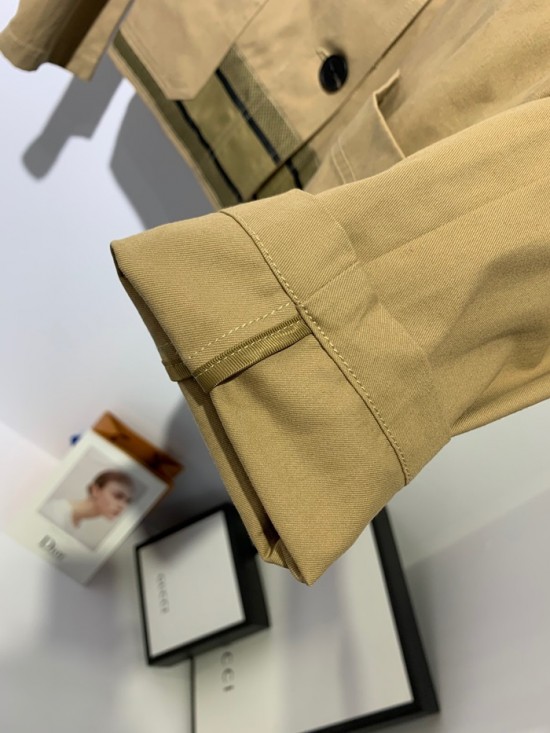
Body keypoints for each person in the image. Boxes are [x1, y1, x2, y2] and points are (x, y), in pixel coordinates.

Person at [45, 470, 134, 534]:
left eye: (128, 501)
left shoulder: (79, 526)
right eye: (118, 496)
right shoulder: (55, 511)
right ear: (95, 490)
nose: (122, 506)